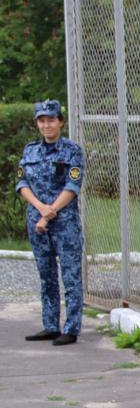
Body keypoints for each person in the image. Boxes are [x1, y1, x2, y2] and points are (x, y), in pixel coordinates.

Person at [17, 99, 85, 346]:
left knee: (71, 276)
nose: (46, 125)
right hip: (37, 223)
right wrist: (40, 209)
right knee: (46, 277)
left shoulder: (72, 150)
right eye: (42, 121)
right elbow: (22, 183)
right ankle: (50, 326)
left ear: (60, 122)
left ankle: (71, 328)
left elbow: (73, 186)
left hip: (64, 223)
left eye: (51, 120)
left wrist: (49, 213)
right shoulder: (30, 151)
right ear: (37, 123)